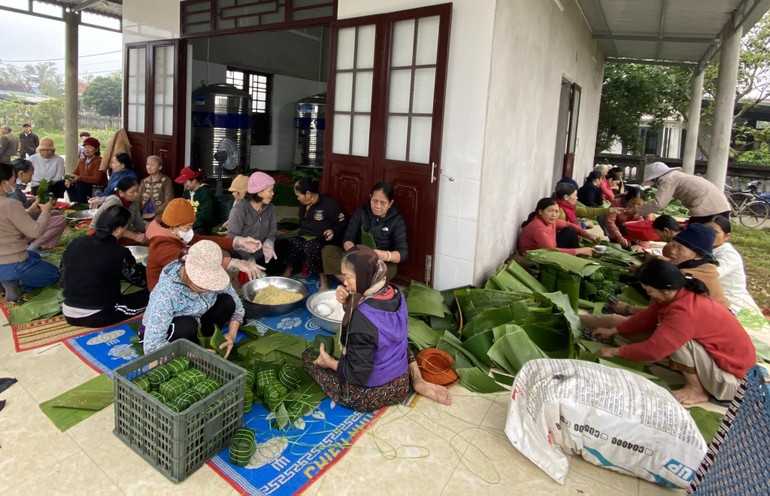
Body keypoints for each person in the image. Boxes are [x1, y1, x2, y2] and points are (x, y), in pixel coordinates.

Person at [303, 246, 452, 412]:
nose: (344, 282)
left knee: (309, 357)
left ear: (364, 277)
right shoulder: (395, 292)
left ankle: (323, 363)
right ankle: (417, 380)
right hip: (402, 383)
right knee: (399, 344)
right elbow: (368, 309)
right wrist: (348, 300)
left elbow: (357, 374)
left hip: (371, 395)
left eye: (349, 277)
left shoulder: (361, 318)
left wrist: (329, 362)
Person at [590, 259, 756, 406]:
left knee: (680, 342)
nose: (649, 295)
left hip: (732, 383)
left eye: (650, 291)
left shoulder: (685, 311)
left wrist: (614, 351)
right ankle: (697, 381)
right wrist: (612, 331)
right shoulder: (681, 294)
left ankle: (696, 390)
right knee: (668, 336)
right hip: (725, 368)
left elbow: (654, 350)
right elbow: (648, 316)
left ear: (666, 288)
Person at [142, 240, 245, 358]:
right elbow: (151, 347)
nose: (206, 287)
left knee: (227, 302)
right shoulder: (166, 292)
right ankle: (188, 346)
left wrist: (232, 334)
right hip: (172, 331)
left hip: (199, 321)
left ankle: (205, 340)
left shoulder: (214, 276)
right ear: (186, 268)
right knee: (187, 324)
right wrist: (191, 355)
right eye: (200, 283)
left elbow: (238, 307)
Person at [61, 205, 149, 327]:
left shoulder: (75, 243)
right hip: (97, 314)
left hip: (68, 310)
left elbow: (62, 277)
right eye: (126, 227)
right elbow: (140, 280)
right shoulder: (119, 253)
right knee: (153, 296)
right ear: (118, 230)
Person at [145, 198, 262, 291]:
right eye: (188, 227)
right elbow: (192, 259)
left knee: (221, 254)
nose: (190, 230)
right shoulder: (160, 244)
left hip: (185, 280)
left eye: (191, 226)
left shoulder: (180, 234)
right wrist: (234, 263)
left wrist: (238, 242)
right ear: (173, 227)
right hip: (166, 290)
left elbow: (205, 240)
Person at [322, 182, 408, 281]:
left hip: (380, 261)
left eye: (383, 203)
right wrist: (357, 253)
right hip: (357, 256)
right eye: (375, 201)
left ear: (390, 203)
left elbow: (402, 253)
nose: (378, 206)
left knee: (390, 270)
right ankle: (350, 284)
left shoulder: (397, 220)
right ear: (370, 197)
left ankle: (356, 285)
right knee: (328, 252)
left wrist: (384, 255)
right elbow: (348, 238)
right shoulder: (361, 212)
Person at [0, 162, 59, 302]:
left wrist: (31, 209)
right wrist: (45, 211)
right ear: (3, 183)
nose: (15, 184)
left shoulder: (8, 204)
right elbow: (35, 231)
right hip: (11, 262)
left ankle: (8, 282)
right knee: (54, 274)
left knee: (34, 256)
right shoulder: (10, 204)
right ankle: (16, 281)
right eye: (13, 181)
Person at [282, 177, 347, 290]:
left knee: (311, 246)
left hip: (324, 238)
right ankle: (288, 272)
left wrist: (333, 231)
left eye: (298, 196)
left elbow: (344, 223)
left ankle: (324, 280)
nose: (297, 198)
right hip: (306, 235)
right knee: (296, 242)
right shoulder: (303, 205)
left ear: (308, 194)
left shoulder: (329, 204)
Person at [633, 162, 731, 223]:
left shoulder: (667, 179)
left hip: (708, 209)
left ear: (656, 178)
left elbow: (659, 204)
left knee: (697, 237)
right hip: (720, 207)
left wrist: (635, 210)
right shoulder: (676, 176)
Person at [10, 158, 67, 251]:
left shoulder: (14, 190)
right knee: (61, 220)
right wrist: (42, 211)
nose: (31, 178)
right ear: (20, 174)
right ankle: (32, 247)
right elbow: (19, 218)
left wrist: (34, 201)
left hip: (20, 225)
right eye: (31, 174)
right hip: (18, 233)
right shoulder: (13, 193)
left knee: (55, 213)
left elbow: (22, 208)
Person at [227, 171, 279, 272]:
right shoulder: (239, 209)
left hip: (262, 254)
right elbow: (232, 237)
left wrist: (269, 243)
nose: (272, 194)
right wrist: (248, 259)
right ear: (259, 192)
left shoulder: (271, 208)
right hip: (241, 256)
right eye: (270, 190)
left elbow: (272, 231)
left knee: (283, 245)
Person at [704, 216, 758, 314]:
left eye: (715, 232)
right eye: (706, 230)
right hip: (709, 297)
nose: (709, 234)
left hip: (727, 307)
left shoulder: (729, 255)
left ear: (727, 236)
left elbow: (712, 275)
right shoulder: (707, 248)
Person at [517, 198, 599, 256]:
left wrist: (587, 235)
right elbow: (551, 251)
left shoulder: (550, 220)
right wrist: (579, 251)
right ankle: (577, 257)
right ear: (541, 212)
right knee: (575, 246)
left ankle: (577, 256)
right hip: (537, 256)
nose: (554, 215)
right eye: (550, 211)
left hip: (548, 250)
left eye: (556, 211)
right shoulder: (539, 229)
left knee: (570, 230)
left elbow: (569, 224)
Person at [91, 176, 147, 244]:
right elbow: (110, 227)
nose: (136, 194)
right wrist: (134, 236)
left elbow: (139, 225)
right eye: (132, 192)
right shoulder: (114, 202)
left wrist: (151, 228)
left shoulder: (135, 204)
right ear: (121, 193)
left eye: (137, 191)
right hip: (100, 234)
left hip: (120, 234)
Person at [177, 165, 216, 234]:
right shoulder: (187, 192)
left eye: (185, 182)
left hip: (203, 227)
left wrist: (191, 218)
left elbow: (207, 215)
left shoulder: (205, 192)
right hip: (189, 224)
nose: (184, 185)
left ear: (194, 181)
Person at [66, 136, 105, 204]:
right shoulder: (82, 160)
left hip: (97, 187)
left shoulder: (98, 161)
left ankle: (82, 205)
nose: (87, 149)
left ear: (96, 149)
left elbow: (96, 179)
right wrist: (69, 179)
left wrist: (79, 178)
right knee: (66, 182)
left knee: (79, 184)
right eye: (85, 147)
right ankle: (75, 202)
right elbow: (75, 173)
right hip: (85, 185)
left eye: (90, 147)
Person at [136, 155, 174, 221]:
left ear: (160, 167)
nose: (149, 167)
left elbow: (169, 200)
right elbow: (138, 199)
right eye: (147, 164)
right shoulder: (144, 181)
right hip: (143, 212)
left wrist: (155, 213)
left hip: (160, 213)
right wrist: (136, 212)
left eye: (152, 165)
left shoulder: (166, 181)